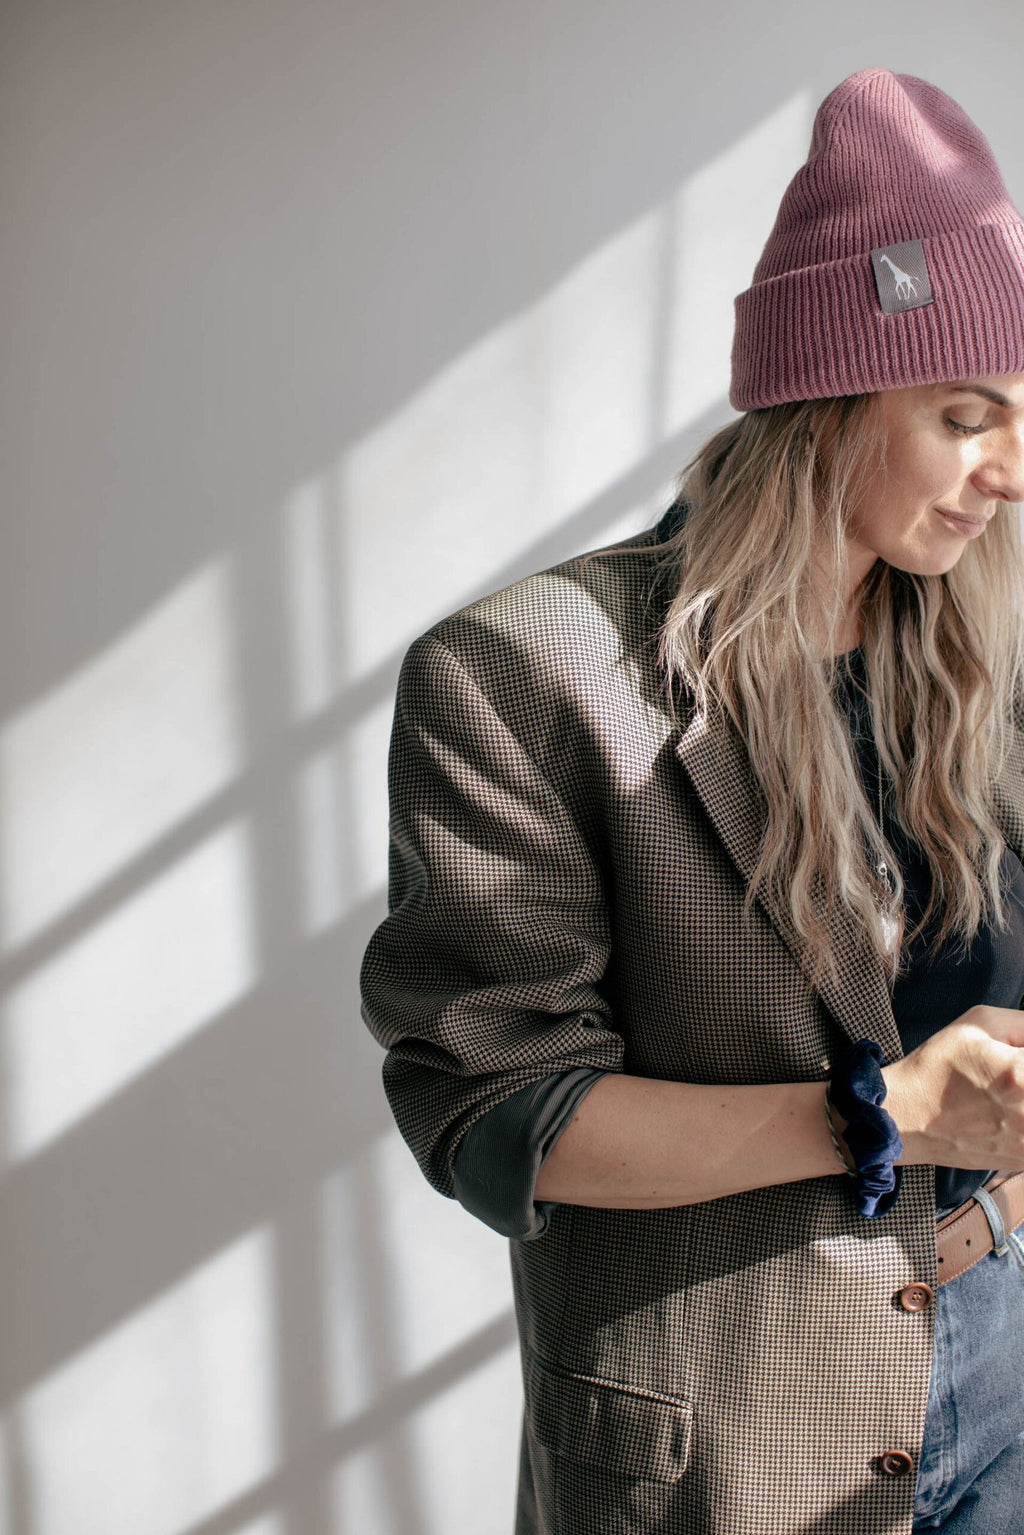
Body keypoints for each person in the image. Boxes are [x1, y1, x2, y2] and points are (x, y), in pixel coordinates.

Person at [360, 67, 1024, 1534]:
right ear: (824, 398)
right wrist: (886, 1116)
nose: (1012, 473)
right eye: (969, 414)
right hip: (733, 1421)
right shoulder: (527, 672)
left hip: (1002, 1368)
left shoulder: (986, 671)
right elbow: (501, 1114)